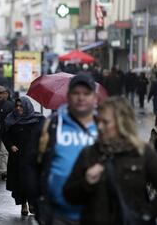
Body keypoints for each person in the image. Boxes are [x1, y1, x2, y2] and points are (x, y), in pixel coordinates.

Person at [63, 97, 157, 225]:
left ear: (122, 123)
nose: (99, 127)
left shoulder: (142, 152)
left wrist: (146, 214)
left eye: (105, 122)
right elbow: (68, 194)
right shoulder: (89, 153)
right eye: (97, 121)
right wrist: (86, 182)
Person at [36, 73, 98, 225]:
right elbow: (30, 164)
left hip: (95, 213)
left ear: (94, 98)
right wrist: (37, 202)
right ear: (68, 96)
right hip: (57, 214)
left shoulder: (105, 126)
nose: (81, 98)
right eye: (76, 93)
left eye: (86, 93)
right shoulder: (52, 125)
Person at [3, 96, 45, 216]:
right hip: (17, 156)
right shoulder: (10, 119)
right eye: (17, 105)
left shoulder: (38, 119)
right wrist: (10, 145)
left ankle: (32, 203)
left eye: (21, 106)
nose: (18, 108)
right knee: (19, 182)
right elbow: (5, 135)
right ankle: (23, 205)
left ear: (27, 106)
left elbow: (44, 135)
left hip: (31, 156)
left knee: (30, 181)